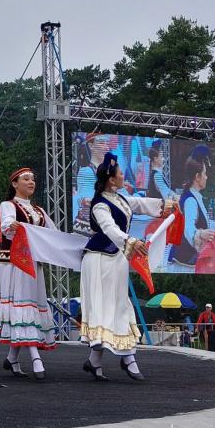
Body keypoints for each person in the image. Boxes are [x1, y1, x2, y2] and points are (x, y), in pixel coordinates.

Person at [80, 152, 169, 382]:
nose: (123, 176)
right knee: (107, 307)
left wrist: (165, 206)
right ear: (111, 179)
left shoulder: (121, 199)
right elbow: (110, 228)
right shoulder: (99, 205)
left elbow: (140, 203)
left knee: (118, 305)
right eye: (120, 173)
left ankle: (95, 361)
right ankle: (128, 358)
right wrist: (130, 241)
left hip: (116, 260)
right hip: (99, 260)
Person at [0, 168, 57, 380]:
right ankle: (36, 358)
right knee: (23, 307)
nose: (31, 182)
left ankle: (12, 358)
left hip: (33, 267)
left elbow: (54, 234)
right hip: (13, 265)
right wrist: (13, 226)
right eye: (26, 179)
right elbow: (7, 227)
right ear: (15, 184)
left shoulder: (39, 211)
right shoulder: (8, 205)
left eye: (33, 179)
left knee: (29, 308)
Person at [168, 147, 215, 273]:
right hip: (183, 263)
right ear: (197, 177)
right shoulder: (191, 200)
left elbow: (204, 222)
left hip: (187, 262)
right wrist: (200, 234)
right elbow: (189, 230)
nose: (206, 177)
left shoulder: (194, 196)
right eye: (204, 174)